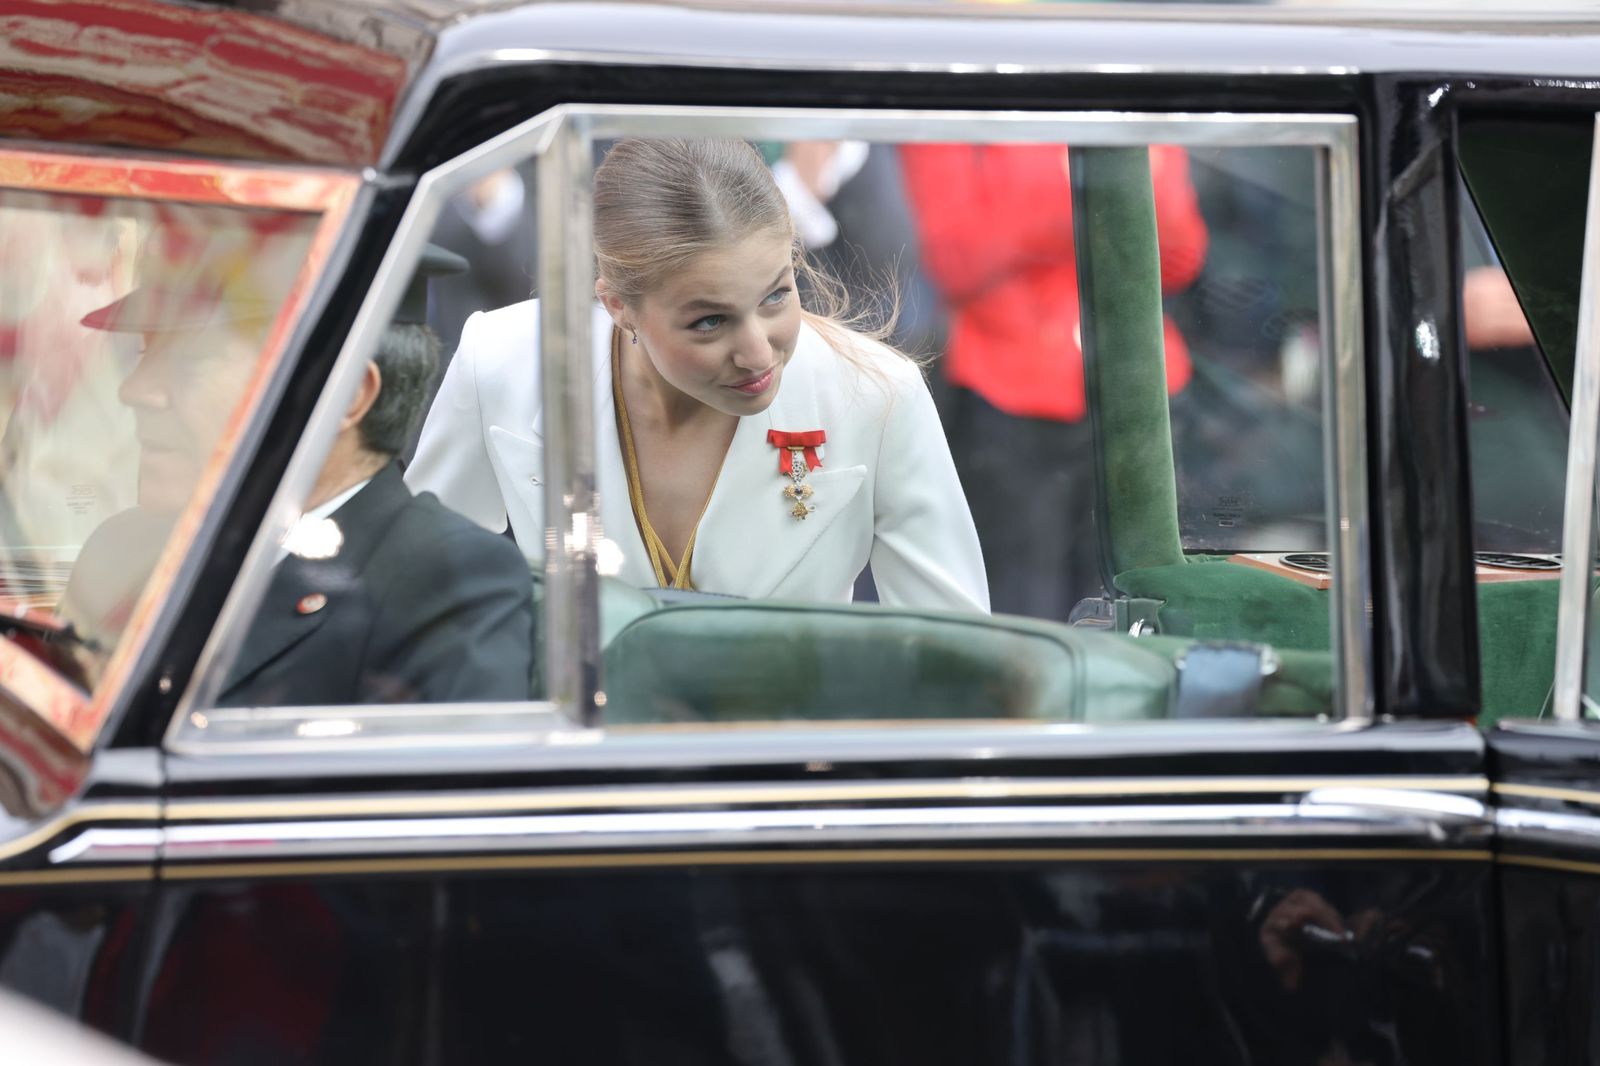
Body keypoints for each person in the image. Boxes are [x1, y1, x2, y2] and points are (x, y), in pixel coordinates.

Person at [408, 138, 988, 613]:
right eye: (709, 321)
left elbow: (957, 659)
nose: (758, 353)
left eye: (776, 297)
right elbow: (421, 596)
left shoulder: (881, 396)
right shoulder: (504, 358)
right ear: (617, 306)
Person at [65, 234, 537, 705]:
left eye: (190, 361)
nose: (135, 390)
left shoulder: (446, 581)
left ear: (347, 394)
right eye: (146, 356)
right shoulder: (121, 551)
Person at [899, 143, 1208, 620]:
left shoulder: (1129, 91)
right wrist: (1090, 189)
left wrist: (1052, 203)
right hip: (1009, 399)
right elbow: (955, 258)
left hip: (1141, 396)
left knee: (1142, 609)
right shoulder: (967, 108)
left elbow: (1182, 255)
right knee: (1020, 614)